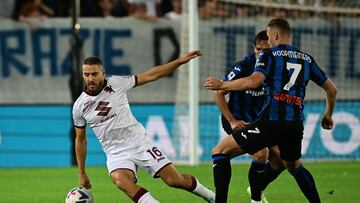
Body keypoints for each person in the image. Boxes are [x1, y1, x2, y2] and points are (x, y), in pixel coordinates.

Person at [205, 18, 337, 203]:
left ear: (274, 35)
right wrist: (328, 115)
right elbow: (332, 90)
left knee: (220, 152)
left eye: (268, 36)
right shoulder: (306, 58)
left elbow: (254, 81)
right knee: (293, 166)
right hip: (295, 123)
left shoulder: (269, 55)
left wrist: (222, 84)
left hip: (271, 122)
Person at [72, 50, 215, 203]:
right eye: (86, 74)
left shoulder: (116, 83)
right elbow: (81, 140)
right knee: (120, 180)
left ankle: (212, 197)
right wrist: (82, 172)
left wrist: (179, 61)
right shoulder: (79, 106)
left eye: (94, 74)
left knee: (174, 180)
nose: (90, 78)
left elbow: (151, 75)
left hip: (139, 143)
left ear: (103, 72)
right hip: (115, 152)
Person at [212, 30, 285, 203]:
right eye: (259, 50)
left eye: (266, 51)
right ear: (254, 48)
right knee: (260, 153)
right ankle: (255, 199)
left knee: (282, 161)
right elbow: (218, 93)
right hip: (238, 119)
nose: (262, 54)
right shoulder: (242, 67)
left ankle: (256, 188)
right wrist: (231, 120)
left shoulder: (278, 69)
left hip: (261, 121)